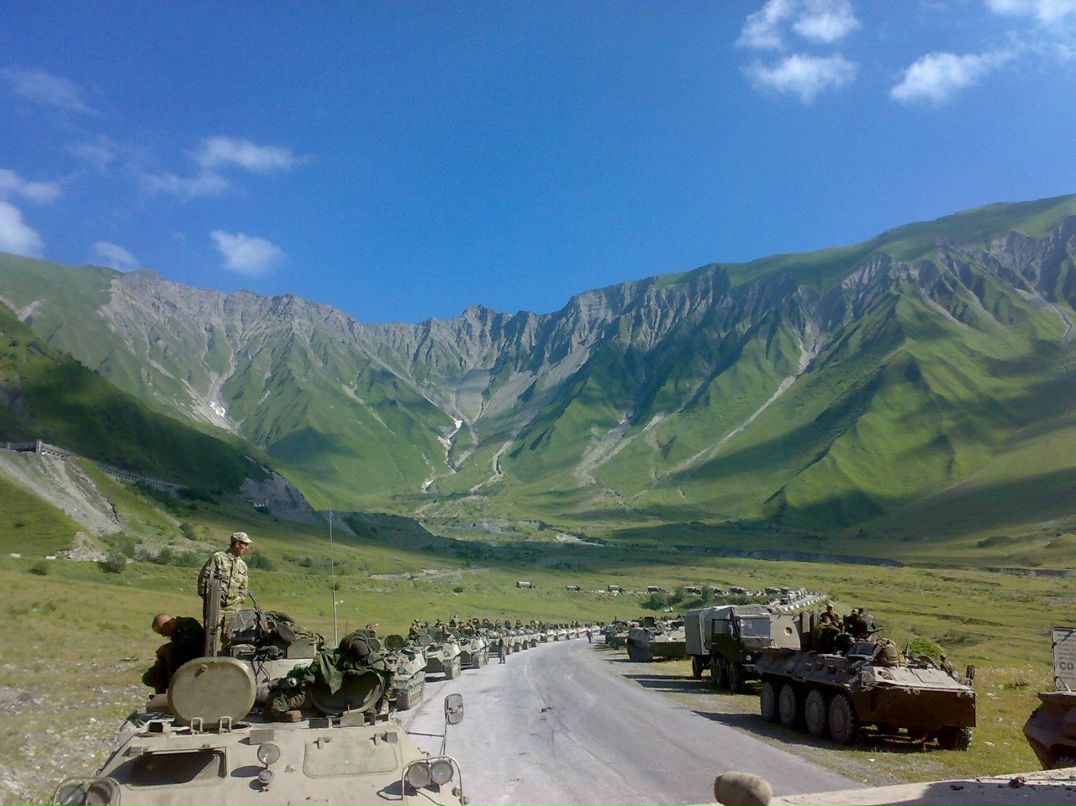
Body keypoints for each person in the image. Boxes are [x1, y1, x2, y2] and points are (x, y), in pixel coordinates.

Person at [197, 531, 252, 650]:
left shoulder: (242, 566)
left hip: (233, 607)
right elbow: (204, 578)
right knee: (211, 635)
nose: (247, 548)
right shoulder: (218, 558)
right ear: (237, 544)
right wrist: (209, 598)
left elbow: (244, 587)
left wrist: (240, 599)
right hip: (216, 605)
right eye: (245, 544)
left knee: (230, 637)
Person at [141, 614, 205, 693]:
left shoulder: (188, 624)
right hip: (183, 666)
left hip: (192, 665)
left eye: (162, 631)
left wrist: (167, 648)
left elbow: (189, 645)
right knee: (150, 677)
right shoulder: (177, 632)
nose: (163, 635)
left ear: (167, 624)